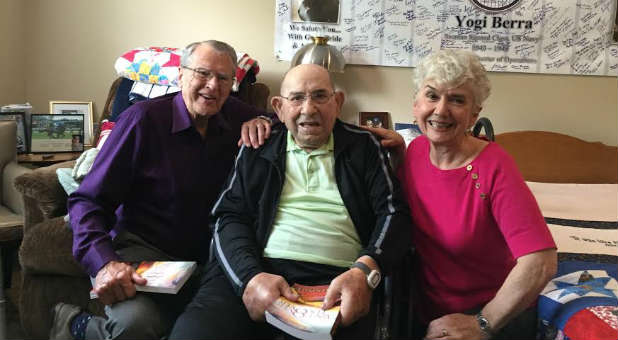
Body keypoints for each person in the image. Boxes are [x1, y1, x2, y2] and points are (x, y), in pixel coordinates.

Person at [49, 40, 274, 340]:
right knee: (137, 326)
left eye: (223, 78)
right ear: (181, 75)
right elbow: (87, 201)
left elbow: (288, 121)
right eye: (202, 73)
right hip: (142, 250)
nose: (213, 85)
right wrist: (104, 264)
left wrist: (264, 121)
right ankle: (75, 324)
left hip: (209, 259)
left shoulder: (237, 116)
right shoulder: (142, 120)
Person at [168, 63, 411, 339]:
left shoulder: (364, 145)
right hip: (256, 266)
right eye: (296, 98)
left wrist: (365, 271)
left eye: (320, 96)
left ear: (338, 102)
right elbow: (228, 216)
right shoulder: (259, 143)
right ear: (279, 107)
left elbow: (394, 213)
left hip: (336, 279)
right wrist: (250, 278)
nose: (308, 109)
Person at [367, 50, 557, 339]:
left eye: (457, 100)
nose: (441, 110)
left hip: (493, 315)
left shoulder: (494, 167)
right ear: (416, 104)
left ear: (474, 114)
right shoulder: (415, 152)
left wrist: (483, 322)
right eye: (432, 96)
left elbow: (541, 262)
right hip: (426, 312)